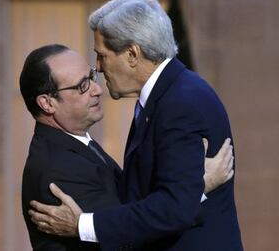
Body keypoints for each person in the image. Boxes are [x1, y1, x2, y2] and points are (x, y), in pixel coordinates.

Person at [20, 44, 234, 251]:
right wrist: (197, 186)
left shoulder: (77, 144)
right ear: (47, 103)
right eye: (82, 86)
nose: (97, 89)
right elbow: (131, 237)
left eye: (92, 77)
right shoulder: (59, 167)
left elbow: (132, 206)